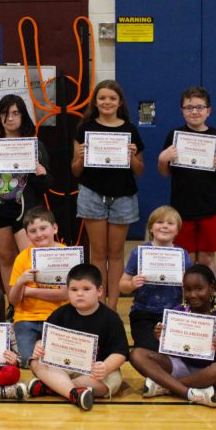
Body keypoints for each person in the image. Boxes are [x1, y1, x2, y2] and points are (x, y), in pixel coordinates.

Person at [72, 79, 145, 309]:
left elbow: (140, 170)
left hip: (123, 196)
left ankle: (112, 306)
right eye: (102, 98)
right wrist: (81, 156)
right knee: (98, 253)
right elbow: (75, 170)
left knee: (116, 254)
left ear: (120, 102)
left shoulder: (129, 130)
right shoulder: (85, 128)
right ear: (95, 101)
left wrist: (132, 156)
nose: (107, 102)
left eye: (112, 98)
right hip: (92, 194)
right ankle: (98, 303)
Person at [130, 265, 216, 407]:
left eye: (199, 288)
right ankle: (188, 392)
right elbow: (169, 352)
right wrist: (161, 338)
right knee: (137, 354)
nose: (192, 294)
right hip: (180, 366)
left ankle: (168, 387)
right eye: (187, 289)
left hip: (208, 372)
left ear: (212, 288)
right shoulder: (178, 311)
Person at [28, 264, 130, 411]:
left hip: (94, 371)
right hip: (64, 367)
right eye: (74, 290)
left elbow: (120, 352)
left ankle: (53, 387)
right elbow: (43, 338)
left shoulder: (111, 318)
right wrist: (39, 346)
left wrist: (106, 367)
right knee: (36, 362)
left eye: (86, 289)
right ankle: (73, 392)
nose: (79, 294)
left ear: (99, 291)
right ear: (67, 291)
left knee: (113, 382)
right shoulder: (61, 313)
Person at [0, 94, 52, 287]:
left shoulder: (35, 145)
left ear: (23, 116)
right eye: (4, 113)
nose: (9, 118)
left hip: (25, 210)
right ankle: (13, 303)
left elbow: (45, 186)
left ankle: (33, 302)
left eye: (15, 113)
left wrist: (40, 173)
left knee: (29, 258)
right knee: (6, 257)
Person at [156, 87, 216, 273]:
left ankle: (211, 302)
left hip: (211, 206)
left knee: (208, 257)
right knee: (186, 257)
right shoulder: (174, 135)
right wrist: (161, 159)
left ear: (209, 111)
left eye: (200, 107)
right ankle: (185, 302)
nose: (194, 112)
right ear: (182, 110)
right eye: (189, 107)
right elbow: (164, 172)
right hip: (182, 208)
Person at [119, 205, 191, 365]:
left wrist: (185, 285)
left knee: (176, 352)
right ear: (151, 228)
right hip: (143, 313)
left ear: (177, 230)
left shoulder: (183, 255)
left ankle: (164, 376)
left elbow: (192, 288)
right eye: (159, 222)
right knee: (148, 351)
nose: (164, 226)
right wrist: (132, 284)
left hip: (174, 315)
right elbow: (121, 285)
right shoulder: (139, 252)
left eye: (170, 223)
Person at [8, 207, 69, 366]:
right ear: (27, 235)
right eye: (33, 231)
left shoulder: (67, 254)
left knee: (58, 361)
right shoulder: (22, 258)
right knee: (30, 361)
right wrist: (21, 282)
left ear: (54, 228)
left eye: (43, 228)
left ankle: (28, 345)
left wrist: (29, 291)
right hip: (27, 318)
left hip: (59, 316)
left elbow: (64, 295)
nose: (39, 234)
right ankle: (20, 343)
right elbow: (14, 301)